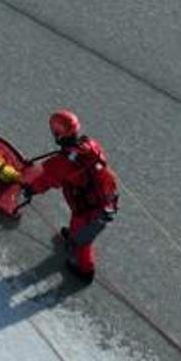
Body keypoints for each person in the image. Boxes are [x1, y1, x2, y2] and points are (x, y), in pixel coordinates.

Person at [21, 109, 119, 282]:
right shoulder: (90, 145)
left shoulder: (61, 162)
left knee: (82, 241)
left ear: (58, 134)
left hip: (90, 209)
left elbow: (48, 180)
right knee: (78, 223)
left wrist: (31, 189)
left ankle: (85, 270)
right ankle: (75, 236)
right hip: (105, 197)